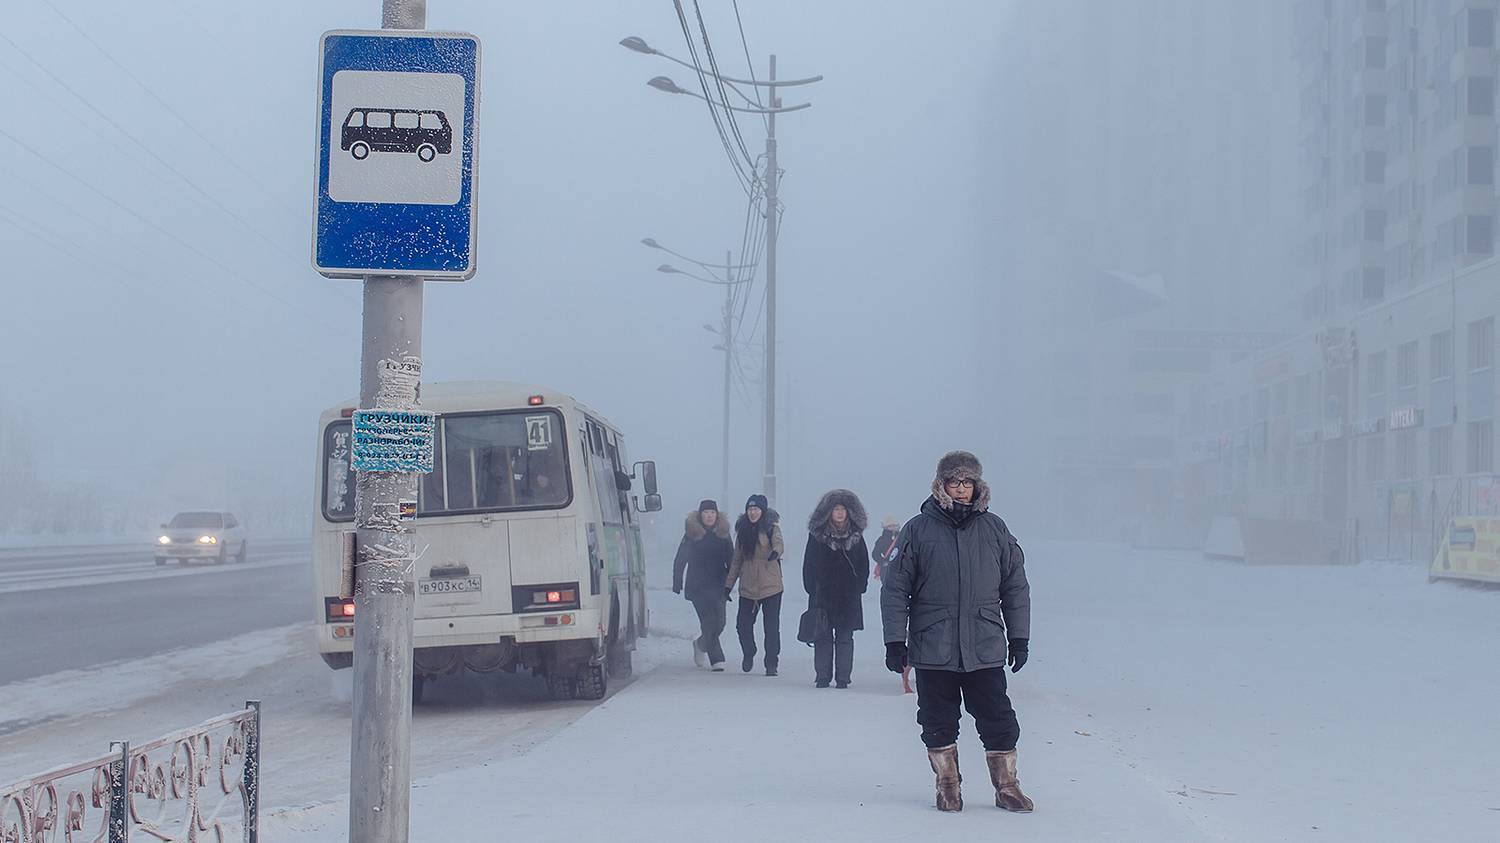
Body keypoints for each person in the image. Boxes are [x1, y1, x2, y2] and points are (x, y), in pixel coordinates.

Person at [880, 451, 1033, 814]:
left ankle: (1007, 786)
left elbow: (1015, 586)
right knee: (937, 719)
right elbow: (895, 588)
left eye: (967, 482)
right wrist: (894, 641)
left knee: (998, 718)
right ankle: (947, 785)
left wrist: (1020, 637)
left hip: (983, 643)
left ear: (977, 485)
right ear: (941, 485)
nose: (961, 489)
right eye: (954, 482)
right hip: (934, 644)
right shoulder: (917, 529)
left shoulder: (995, 528)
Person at [802, 489, 870, 689]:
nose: (840, 513)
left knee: (845, 637)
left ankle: (843, 677)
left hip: (849, 595)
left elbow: (863, 564)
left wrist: (860, 586)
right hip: (822, 593)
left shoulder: (856, 536)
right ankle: (822, 676)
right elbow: (808, 564)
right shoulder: (817, 536)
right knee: (822, 636)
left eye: (843, 509)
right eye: (836, 509)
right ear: (828, 512)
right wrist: (811, 589)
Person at [672, 499, 733, 671]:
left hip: (719, 585)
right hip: (697, 586)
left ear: (717, 514)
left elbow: (732, 560)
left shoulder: (724, 534)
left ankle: (700, 644)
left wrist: (732, 582)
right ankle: (717, 659)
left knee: (720, 623)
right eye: (706, 512)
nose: (709, 516)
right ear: (700, 515)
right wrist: (677, 580)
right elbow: (681, 557)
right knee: (709, 622)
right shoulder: (692, 534)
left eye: (712, 512)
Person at [727, 494, 784, 676]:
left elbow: (779, 543)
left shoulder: (771, 528)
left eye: (756, 509)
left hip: (771, 586)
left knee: (771, 627)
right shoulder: (742, 531)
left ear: (763, 511)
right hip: (748, 587)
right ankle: (749, 652)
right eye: (750, 509)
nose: (753, 512)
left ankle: (771, 663)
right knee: (742, 625)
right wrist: (728, 586)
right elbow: (736, 561)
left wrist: (775, 552)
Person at [871, 515, 902, 581]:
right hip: (887, 570)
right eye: (890, 526)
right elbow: (875, 554)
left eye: (894, 525)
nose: (892, 527)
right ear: (885, 527)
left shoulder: (902, 537)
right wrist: (884, 562)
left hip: (901, 568)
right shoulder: (882, 540)